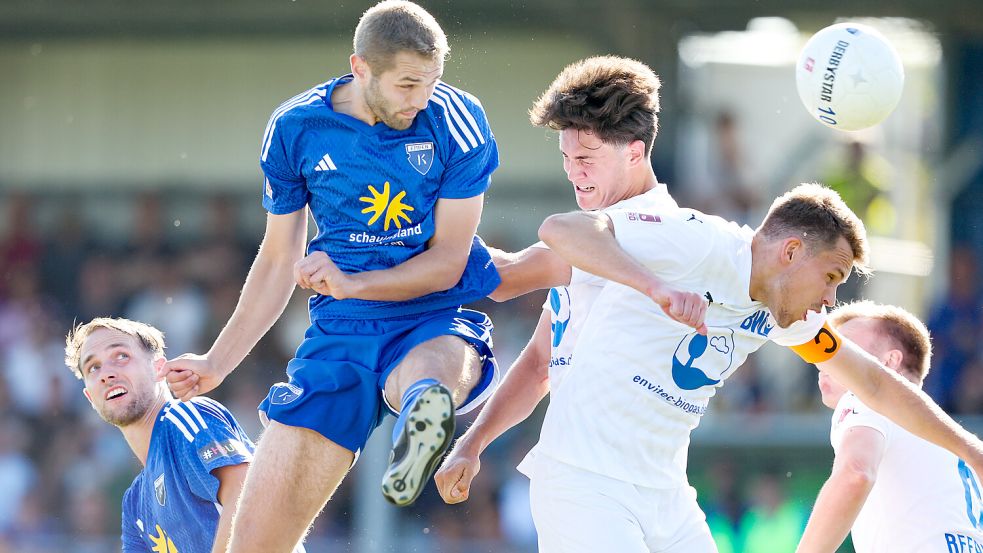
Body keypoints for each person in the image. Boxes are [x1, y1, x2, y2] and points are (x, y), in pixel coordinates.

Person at [159, 1, 501, 551]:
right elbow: (277, 259)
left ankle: (424, 412)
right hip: (338, 332)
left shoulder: (456, 119)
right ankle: (419, 404)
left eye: (432, 83)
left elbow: (450, 260)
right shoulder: (296, 126)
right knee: (253, 544)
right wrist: (215, 362)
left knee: (426, 375)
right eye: (407, 85)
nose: (421, 100)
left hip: (430, 308)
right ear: (361, 68)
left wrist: (356, 283)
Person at [528, 183, 983, 552]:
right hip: (586, 479)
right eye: (830, 278)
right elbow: (561, 229)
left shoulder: (784, 313)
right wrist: (653, 288)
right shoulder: (700, 240)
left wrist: (970, 447)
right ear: (789, 253)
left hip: (662, 491)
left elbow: (872, 383)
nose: (830, 301)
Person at [434, 55, 676, 503]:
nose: (571, 171)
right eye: (565, 156)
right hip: (588, 478)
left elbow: (504, 278)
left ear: (635, 152)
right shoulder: (601, 226)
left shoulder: (646, 227)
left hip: (631, 481)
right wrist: (471, 442)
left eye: (586, 158)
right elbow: (540, 362)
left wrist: (395, 232)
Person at [63, 318, 281, 553]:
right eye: (93, 367)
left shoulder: (184, 418)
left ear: (158, 368)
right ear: (89, 397)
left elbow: (249, 495)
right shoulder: (135, 504)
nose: (106, 374)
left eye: (121, 356)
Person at [797, 300, 983, 553]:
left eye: (843, 347)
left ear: (889, 362)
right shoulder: (951, 447)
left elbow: (856, 473)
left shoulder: (867, 398)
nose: (825, 360)